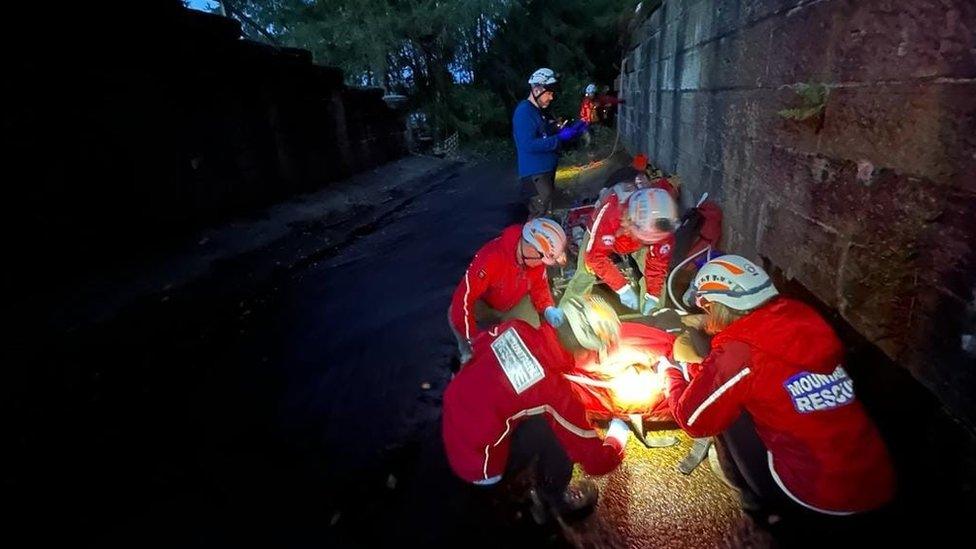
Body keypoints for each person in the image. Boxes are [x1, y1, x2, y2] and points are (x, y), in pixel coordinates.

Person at [661, 255, 896, 531]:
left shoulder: (740, 352)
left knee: (723, 410)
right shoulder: (801, 315)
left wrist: (671, 372)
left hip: (819, 495)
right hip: (877, 480)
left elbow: (692, 420)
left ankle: (759, 506)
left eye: (708, 309)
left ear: (717, 307)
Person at [442, 294, 631, 521]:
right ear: (586, 348)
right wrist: (617, 436)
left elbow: (479, 353)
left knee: (533, 414)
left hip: (454, 424)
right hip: (479, 466)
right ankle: (551, 498)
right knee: (559, 437)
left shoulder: (514, 328)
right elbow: (596, 461)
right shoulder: (556, 393)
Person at [449, 217, 568, 365]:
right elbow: (464, 299)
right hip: (486, 306)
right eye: (541, 260)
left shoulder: (535, 261)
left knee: (529, 342)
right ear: (531, 249)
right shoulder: (491, 258)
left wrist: (547, 308)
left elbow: (539, 286)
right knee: (454, 312)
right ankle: (466, 351)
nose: (541, 265)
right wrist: (472, 340)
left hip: (515, 303)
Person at [560, 188, 678, 315]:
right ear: (629, 221)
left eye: (647, 241)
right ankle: (567, 311)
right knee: (585, 272)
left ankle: (655, 315)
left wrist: (653, 296)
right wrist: (622, 288)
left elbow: (657, 266)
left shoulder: (663, 230)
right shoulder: (611, 213)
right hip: (601, 234)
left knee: (656, 284)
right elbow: (595, 257)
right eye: (640, 237)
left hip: (637, 238)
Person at [513, 68, 587, 216]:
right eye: (549, 93)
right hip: (535, 177)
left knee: (546, 215)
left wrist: (565, 130)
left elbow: (544, 133)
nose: (551, 97)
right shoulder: (524, 112)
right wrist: (558, 139)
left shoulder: (537, 111)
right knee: (538, 219)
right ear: (536, 89)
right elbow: (528, 144)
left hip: (544, 174)